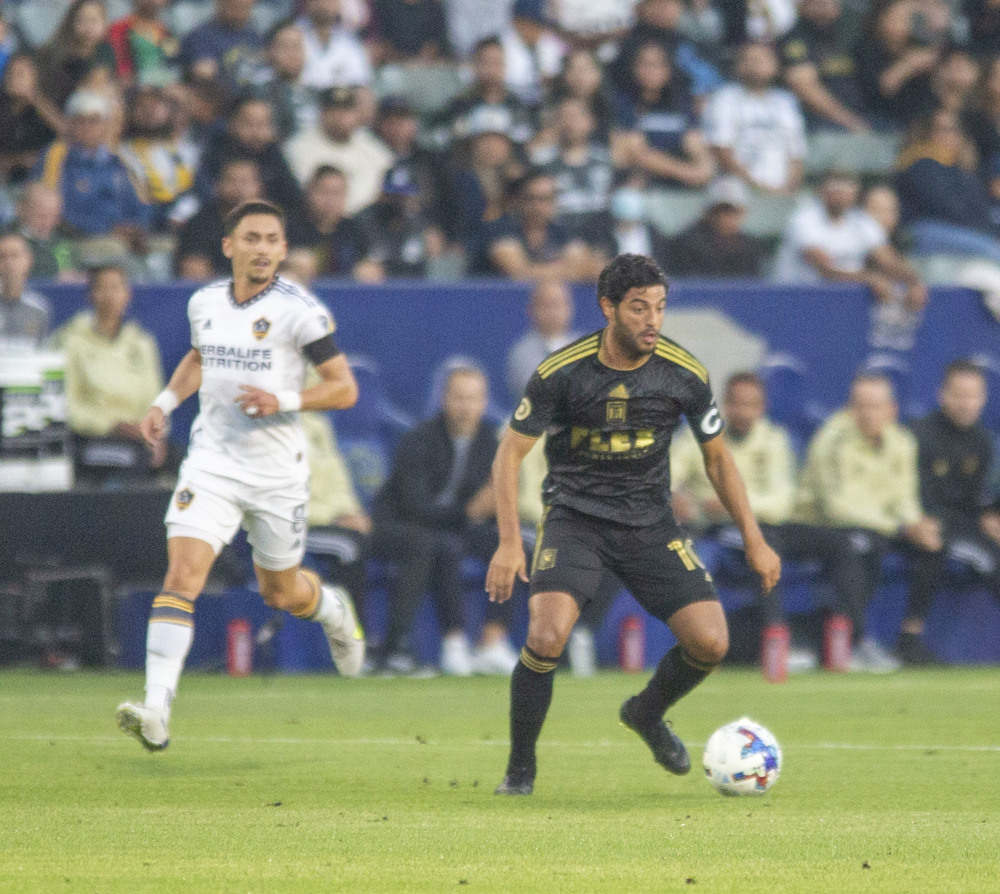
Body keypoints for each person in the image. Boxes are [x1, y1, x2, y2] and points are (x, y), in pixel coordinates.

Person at [486, 253, 781, 795]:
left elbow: (718, 460)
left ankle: (645, 712)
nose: (652, 320)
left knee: (711, 643)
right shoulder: (561, 372)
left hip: (650, 524)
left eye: (660, 308)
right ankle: (520, 768)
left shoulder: (684, 372)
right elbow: (509, 455)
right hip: (576, 520)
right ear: (608, 307)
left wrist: (754, 538)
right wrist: (509, 543)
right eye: (640, 308)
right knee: (546, 635)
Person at [116, 199, 365, 751]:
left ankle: (332, 609)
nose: (263, 249)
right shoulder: (205, 301)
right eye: (252, 238)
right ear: (229, 246)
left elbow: (345, 388)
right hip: (211, 464)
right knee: (182, 576)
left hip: (275, 474)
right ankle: (156, 710)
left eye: (273, 240)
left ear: (283, 249)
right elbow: (199, 358)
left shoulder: (300, 311)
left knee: (281, 592)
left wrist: (283, 399)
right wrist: (163, 402)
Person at [671, 371, 876, 671]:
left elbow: (781, 502)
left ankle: (853, 639)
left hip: (765, 522)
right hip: (720, 528)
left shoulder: (774, 440)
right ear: (725, 404)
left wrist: (730, 502)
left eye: (751, 405)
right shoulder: (697, 437)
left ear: (762, 407)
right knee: (762, 545)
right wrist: (676, 496)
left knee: (840, 544)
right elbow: (667, 476)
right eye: (737, 403)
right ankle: (776, 638)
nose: (743, 412)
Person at [371, 365, 520, 676]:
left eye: (473, 399)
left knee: (511, 546)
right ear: (444, 399)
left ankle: (491, 642)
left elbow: (489, 499)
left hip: (454, 528)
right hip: (399, 526)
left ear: (484, 403)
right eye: (459, 398)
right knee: (435, 544)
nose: (466, 407)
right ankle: (446, 643)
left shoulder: (489, 441)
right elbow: (414, 506)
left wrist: (495, 505)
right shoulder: (419, 439)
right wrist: (469, 512)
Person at [793, 372, 942, 671]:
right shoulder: (832, 440)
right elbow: (838, 509)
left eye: (875, 406)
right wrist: (901, 527)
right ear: (850, 408)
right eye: (860, 406)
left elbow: (905, 498)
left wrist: (917, 525)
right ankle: (856, 640)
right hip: (818, 527)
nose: (867, 414)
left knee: (934, 548)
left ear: (892, 410)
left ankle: (909, 639)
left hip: (879, 527)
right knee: (861, 545)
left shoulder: (902, 442)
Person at [902, 360, 1000, 664]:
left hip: (965, 524)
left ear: (983, 399)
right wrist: (914, 521)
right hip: (924, 523)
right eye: (959, 395)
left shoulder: (984, 441)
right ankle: (909, 638)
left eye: (973, 396)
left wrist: (990, 517)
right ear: (942, 394)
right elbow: (907, 491)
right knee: (937, 545)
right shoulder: (919, 434)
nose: (966, 404)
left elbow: (982, 498)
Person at [50, 265, 168, 484]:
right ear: (90, 295)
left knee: (182, 459)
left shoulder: (141, 342)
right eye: (102, 288)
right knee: (133, 459)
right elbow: (67, 406)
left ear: (128, 294)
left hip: (139, 437)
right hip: (91, 439)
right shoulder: (69, 341)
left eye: (116, 288)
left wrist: (155, 434)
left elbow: (155, 400)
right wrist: (113, 426)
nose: (109, 296)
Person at [773, 170, 927, 315]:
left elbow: (887, 260)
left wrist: (913, 281)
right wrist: (870, 278)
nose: (841, 196)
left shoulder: (862, 222)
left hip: (844, 301)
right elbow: (826, 270)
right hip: (796, 302)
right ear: (821, 192)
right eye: (836, 190)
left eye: (847, 190)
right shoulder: (805, 220)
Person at [703, 41, 806, 195]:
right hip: (737, 191)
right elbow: (721, 150)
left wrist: (789, 188)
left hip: (782, 192)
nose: (755, 65)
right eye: (749, 60)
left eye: (761, 60)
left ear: (775, 65)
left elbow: (796, 152)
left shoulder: (786, 101)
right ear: (738, 66)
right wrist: (758, 187)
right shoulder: (724, 98)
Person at [476, 169, 607, 281]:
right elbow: (519, 272)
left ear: (554, 201)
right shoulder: (499, 229)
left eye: (544, 199)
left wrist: (578, 269)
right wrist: (570, 271)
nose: (537, 206)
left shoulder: (562, 232)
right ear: (519, 200)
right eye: (530, 198)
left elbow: (586, 266)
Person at [284, 86, 394, 216]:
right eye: (333, 111)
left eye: (346, 111)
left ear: (356, 115)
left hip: (364, 220)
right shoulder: (297, 147)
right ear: (322, 113)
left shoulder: (374, 149)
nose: (340, 117)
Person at [778, 0, 869, 132]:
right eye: (818, 4)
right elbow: (803, 84)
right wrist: (851, 122)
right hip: (820, 124)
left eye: (829, 4)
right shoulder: (795, 38)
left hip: (864, 116)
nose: (824, 10)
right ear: (803, 6)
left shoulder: (849, 33)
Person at [666, 175, 768, 278]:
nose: (725, 217)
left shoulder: (750, 247)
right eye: (719, 210)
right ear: (707, 212)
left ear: (743, 212)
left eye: (732, 211)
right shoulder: (686, 244)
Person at [505, 279, 581, 400]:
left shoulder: (586, 346)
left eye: (557, 304)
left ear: (570, 307)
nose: (552, 312)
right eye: (546, 305)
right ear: (531, 309)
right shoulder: (522, 352)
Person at [0, 231, 50, 350]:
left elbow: (42, 353)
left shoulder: (39, 310)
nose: (9, 263)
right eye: (2, 257)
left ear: (28, 260)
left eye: (15, 256)